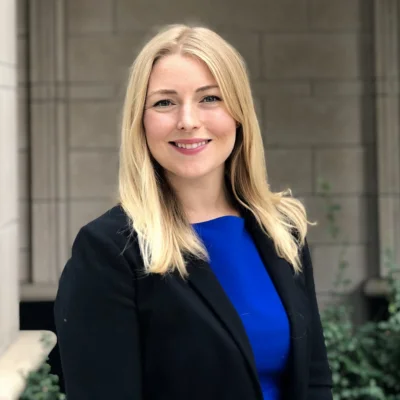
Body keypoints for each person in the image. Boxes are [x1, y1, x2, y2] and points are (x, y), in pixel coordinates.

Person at [54, 24, 332, 400]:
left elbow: (314, 381)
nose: (187, 120)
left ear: (238, 114)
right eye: (164, 103)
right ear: (140, 120)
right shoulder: (109, 250)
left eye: (210, 98)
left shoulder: (282, 230)